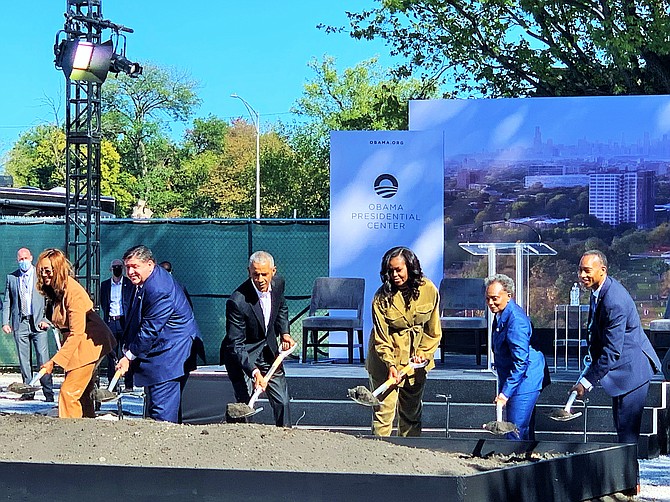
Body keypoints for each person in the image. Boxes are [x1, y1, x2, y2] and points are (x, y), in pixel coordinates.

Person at [572, 250, 661, 445]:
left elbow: (612, 350)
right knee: (622, 431)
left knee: (627, 436)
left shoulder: (614, 300)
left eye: (587, 270)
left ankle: (629, 476)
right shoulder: (598, 291)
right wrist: (588, 371)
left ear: (602, 270)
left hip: (632, 371)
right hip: (621, 370)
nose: (582, 276)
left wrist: (587, 382)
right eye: (579, 270)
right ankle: (627, 475)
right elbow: (597, 338)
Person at [116, 245, 201, 423]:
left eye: (135, 266)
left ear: (150, 264)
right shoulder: (143, 282)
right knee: (159, 409)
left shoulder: (158, 288)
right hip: (160, 354)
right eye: (127, 267)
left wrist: (129, 356)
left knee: (162, 415)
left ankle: (165, 448)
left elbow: (150, 329)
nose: (130, 272)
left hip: (169, 357)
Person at [366, 246, 441, 437]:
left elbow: (433, 331)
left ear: (410, 267)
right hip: (386, 362)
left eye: (398, 270)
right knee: (384, 412)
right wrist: (390, 364)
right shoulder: (380, 298)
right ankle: (377, 456)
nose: (394, 275)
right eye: (390, 271)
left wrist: (423, 353)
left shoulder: (429, 290)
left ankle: (410, 454)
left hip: (415, 362)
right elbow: (381, 337)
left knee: (411, 413)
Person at [36, 248, 116, 418]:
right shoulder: (57, 291)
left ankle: (68, 434)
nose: (44, 275)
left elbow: (77, 333)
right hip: (76, 342)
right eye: (41, 271)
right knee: (83, 393)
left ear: (58, 269)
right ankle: (85, 432)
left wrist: (54, 361)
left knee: (68, 392)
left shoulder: (73, 292)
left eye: (48, 271)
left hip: (89, 342)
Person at [220, 251, 296, 427]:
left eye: (264, 274)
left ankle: (285, 437)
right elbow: (236, 344)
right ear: (249, 272)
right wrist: (254, 372)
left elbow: (281, 307)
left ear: (273, 271)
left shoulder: (278, 285)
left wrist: (284, 332)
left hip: (269, 352)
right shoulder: (237, 301)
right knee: (245, 405)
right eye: (255, 274)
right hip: (242, 356)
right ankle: (244, 445)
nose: (260, 279)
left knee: (282, 402)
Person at [485, 274, 547, 440]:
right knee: (522, 432)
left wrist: (505, 394)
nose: (490, 303)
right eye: (488, 298)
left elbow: (521, 362)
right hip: (515, 378)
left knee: (515, 431)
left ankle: (515, 463)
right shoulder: (500, 314)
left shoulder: (516, 321)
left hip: (525, 380)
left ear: (508, 296)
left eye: (495, 298)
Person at [2, 247, 54, 402]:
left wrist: (47, 320)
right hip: (20, 323)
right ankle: (28, 390)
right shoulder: (12, 278)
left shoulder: (40, 275)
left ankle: (48, 392)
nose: (23, 261)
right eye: (20, 259)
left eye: (25, 258)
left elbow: (50, 300)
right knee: (24, 360)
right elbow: (7, 301)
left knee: (43, 358)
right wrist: (5, 322)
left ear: (31, 258)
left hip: (38, 323)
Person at [99, 258, 134, 390]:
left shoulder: (129, 284)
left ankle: (128, 384)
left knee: (127, 352)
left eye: (119, 266)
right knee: (111, 353)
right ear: (110, 269)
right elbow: (104, 303)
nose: (117, 269)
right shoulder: (105, 285)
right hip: (111, 321)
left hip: (124, 322)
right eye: (115, 267)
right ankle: (112, 384)